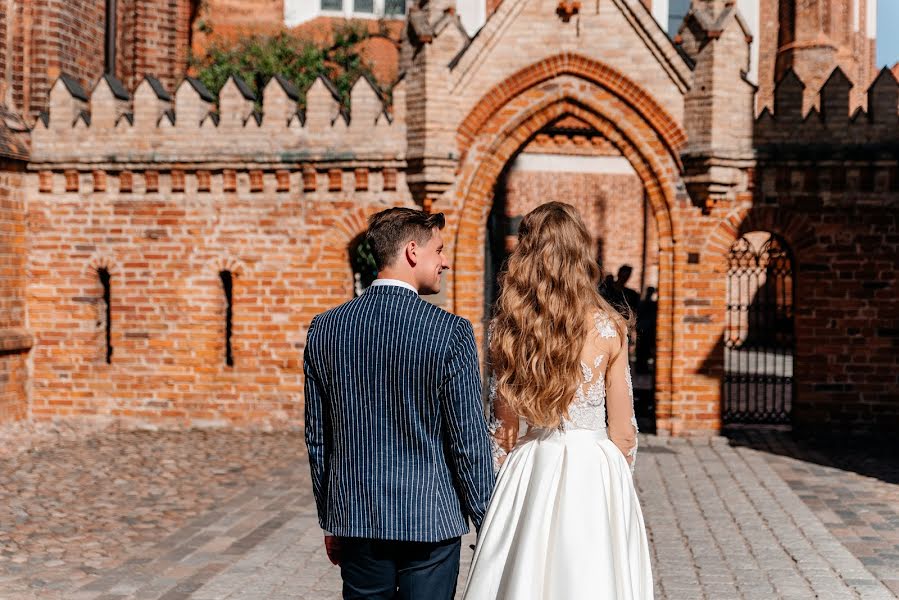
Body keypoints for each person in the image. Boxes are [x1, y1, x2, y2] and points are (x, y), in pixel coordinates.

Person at [463, 202, 653, 599]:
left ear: (526, 254)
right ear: (582, 253)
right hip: (595, 467)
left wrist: (503, 500)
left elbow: (503, 431)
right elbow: (624, 430)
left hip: (531, 464)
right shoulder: (608, 328)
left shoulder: (509, 327)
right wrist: (616, 485)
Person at [304, 207, 494, 600]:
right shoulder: (450, 332)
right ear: (412, 251)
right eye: (438, 250)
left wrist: (331, 519)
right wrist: (489, 519)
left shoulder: (325, 329)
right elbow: (468, 442)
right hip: (430, 519)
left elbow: (318, 437)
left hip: (357, 517)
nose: (445, 261)